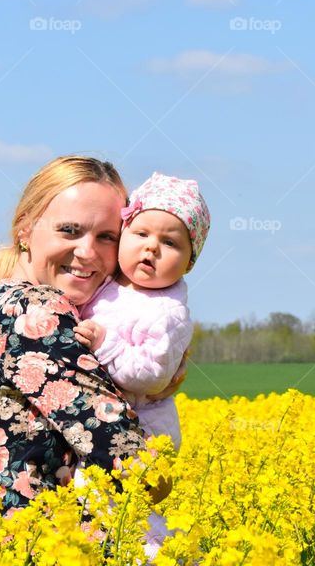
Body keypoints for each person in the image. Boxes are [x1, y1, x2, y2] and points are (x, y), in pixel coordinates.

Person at [0, 156, 170, 517]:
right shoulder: (36, 313)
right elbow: (141, 471)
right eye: (70, 231)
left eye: (107, 236)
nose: (87, 252)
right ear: (25, 230)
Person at [78, 172, 210, 452]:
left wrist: (104, 344)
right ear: (122, 234)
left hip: (140, 433)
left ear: (189, 264)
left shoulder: (167, 312)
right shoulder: (105, 283)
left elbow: (152, 377)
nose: (152, 246)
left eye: (170, 243)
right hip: (100, 422)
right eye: (141, 233)